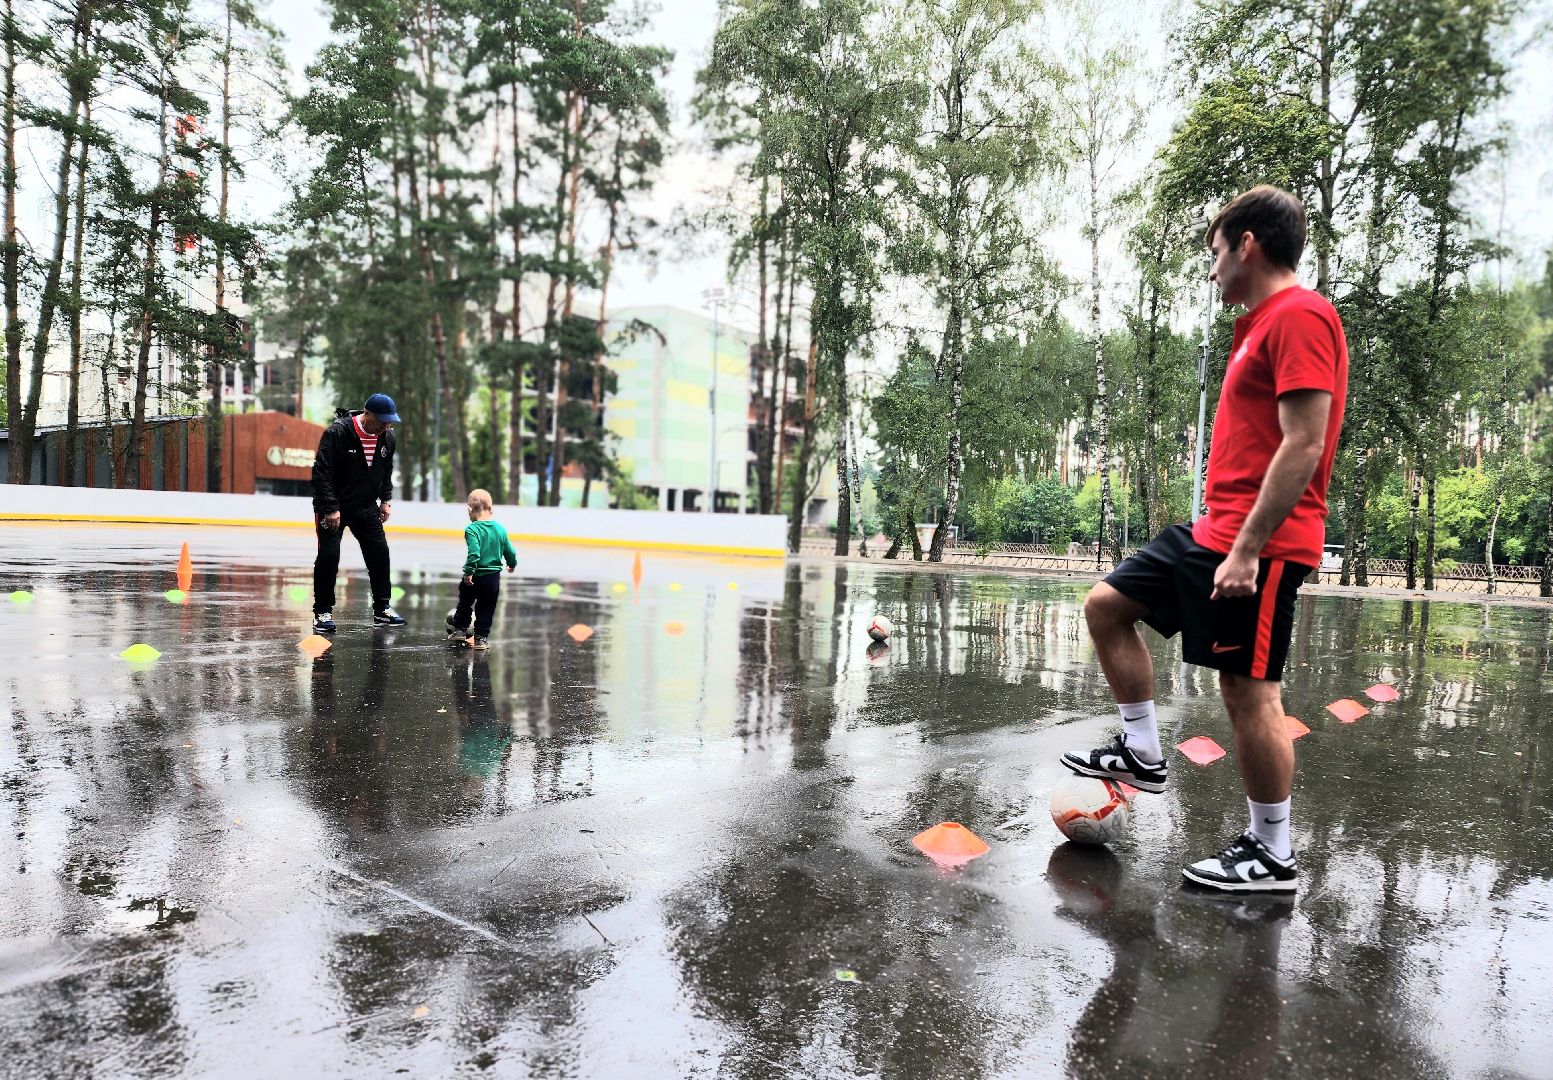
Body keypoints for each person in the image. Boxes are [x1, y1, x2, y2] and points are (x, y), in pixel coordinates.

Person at [1060, 186, 1349, 894]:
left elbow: (1304, 443)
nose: (1211, 269)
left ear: (1246, 243)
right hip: (1209, 530)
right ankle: (1140, 752)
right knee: (1105, 605)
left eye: (1215, 253)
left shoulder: (1302, 316)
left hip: (1259, 541)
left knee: (1249, 697)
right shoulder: (1258, 325)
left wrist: (1248, 547)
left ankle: (1271, 855)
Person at [310, 393, 406, 633]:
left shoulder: (387, 438)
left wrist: (385, 499)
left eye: (390, 421)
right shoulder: (338, 433)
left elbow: (386, 471)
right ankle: (322, 612)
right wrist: (331, 508)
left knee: (379, 553)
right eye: (382, 420)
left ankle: (382, 609)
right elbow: (321, 472)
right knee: (329, 557)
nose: (386, 426)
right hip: (334, 506)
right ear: (367, 414)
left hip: (365, 506)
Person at [445, 488, 516, 650]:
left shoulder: (472, 529)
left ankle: (460, 630)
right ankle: (481, 639)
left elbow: (474, 553)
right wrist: (512, 563)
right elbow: (510, 550)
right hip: (492, 578)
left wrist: (469, 572)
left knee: (465, 602)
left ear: (469, 510)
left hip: (475, 575)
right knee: (486, 607)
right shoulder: (500, 529)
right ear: (492, 509)